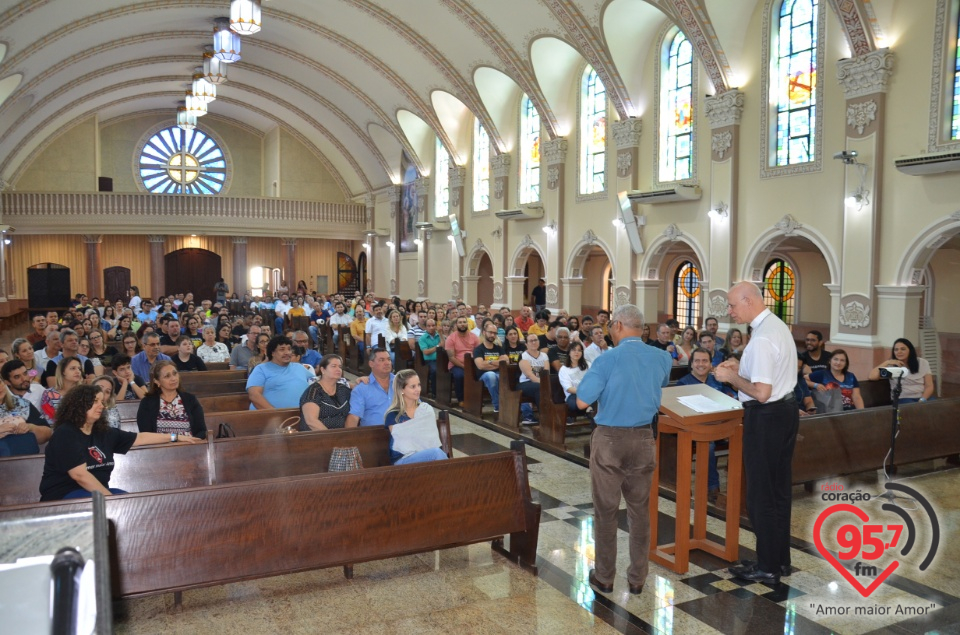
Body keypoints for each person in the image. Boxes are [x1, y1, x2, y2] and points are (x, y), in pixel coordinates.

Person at [576, 304, 672, 596]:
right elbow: (661, 383)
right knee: (639, 511)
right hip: (644, 439)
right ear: (641, 328)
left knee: (606, 511)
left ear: (617, 325)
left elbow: (582, 401)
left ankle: (604, 577)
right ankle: (637, 578)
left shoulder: (607, 360)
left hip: (610, 441)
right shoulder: (662, 357)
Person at [713, 281, 799, 585]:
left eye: (733, 305)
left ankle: (766, 566)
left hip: (766, 417)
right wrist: (743, 367)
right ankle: (780, 560)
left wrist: (732, 377)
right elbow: (771, 376)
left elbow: (761, 393)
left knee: (761, 494)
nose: (730, 311)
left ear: (748, 301)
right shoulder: (777, 326)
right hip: (785, 412)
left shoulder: (762, 338)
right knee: (778, 491)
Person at [40, 384, 202, 501]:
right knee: (123, 502)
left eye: (102, 402)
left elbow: (140, 438)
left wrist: (175, 437)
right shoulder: (66, 433)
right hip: (64, 495)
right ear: (80, 405)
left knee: (132, 501)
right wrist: (111, 499)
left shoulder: (102, 432)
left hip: (97, 494)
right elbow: (79, 475)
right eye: (96, 401)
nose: (101, 406)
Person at [676, 348, 736, 500]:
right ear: (691, 364)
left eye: (705, 361)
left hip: (722, 425)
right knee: (707, 445)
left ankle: (737, 489)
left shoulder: (718, 381)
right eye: (697, 361)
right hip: (696, 429)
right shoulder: (683, 383)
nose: (701, 364)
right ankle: (712, 487)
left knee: (742, 437)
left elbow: (733, 398)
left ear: (711, 364)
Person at [383, 370, 447, 464]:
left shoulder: (426, 409)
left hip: (425, 456)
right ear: (402, 390)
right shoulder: (393, 415)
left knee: (435, 455)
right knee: (436, 453)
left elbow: (431, 438)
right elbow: (403, 444)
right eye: (413, 386)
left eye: (419, 385)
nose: (418, 389)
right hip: (402, 459)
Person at [137, 361, 207, 438]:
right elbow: (146, 435)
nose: (173, 378)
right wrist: (176, 439)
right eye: (167, 376)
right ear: (157, 381)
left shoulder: (190, 399)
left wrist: (192, 443)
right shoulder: (147, 403)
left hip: (189, 446)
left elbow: (201, 431)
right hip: (161, 448)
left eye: (175, 373)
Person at [246, 335, 313, 410]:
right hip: (270, 417)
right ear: (272, 353)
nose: (287, 352)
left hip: (303, 415)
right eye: (282, 349)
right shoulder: (261, 369)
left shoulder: (299, 367)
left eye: (289, 349)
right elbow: (254, 395)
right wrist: (276, 414)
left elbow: (315, 384)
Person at [0, 368, 51, 456]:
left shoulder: (22, 404)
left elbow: (48, 433)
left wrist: (31, 427)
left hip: (26, 459)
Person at [867, 338, 934, 404]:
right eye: (896, 350)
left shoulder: (923, 362)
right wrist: (887, 362)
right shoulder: (891, 366)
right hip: (903, 399)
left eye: (903, 349)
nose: (899, 352)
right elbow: (872, 376)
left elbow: (929, 385)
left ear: (910, 350)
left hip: (922, 397)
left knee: (937, 406)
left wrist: (922, 399)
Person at [298, 355, 351, 431]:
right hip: (317, 437)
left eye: (340, 367)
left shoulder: (343, 390)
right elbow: (311, 421)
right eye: (333, 366)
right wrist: (332, 438)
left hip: (342, 435)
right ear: (323, 370)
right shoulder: (313, 391)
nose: (338, 369)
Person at [346, 348, 395, 427]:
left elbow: (418, 406)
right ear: (371, 364)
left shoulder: (401, 382)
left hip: (403, 433)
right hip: (375, 435)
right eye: (382, 360)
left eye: (389, 359)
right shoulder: (361, 388)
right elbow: (354, 416)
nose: (387, 363)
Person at [473, 320, 508, 413]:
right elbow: (480, 365)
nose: (492, 335)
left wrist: (489, 362)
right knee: (491, 375)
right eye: (490, 332)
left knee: (500, 376)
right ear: (484, 332)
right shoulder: (478, 349)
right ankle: (498, 406)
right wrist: (497, 363)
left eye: (494, 333)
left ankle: (508, 404)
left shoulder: (499, 348)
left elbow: (506, 361)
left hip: (498, 374)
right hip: (483, 376)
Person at [40, 357, 85, 426]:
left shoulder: (85, 393)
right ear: (63, 372)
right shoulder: (49, 394)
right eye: (73, 368)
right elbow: (48, 420)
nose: (78, 371)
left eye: (79, 369)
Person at [445, 316, 480, 406]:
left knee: (480, 374)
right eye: (460, 322)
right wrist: (464, 367)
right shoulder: (451, 338)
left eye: (464, 322)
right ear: (456, 325)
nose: (462, 324)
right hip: (457, 365)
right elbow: (451, 357)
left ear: (467, 324)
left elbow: (479, 352)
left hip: (472, 363)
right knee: (460, 376)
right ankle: (461, 399)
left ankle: (476, 399)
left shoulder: (474, 337)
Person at [558, 341, 590, 416]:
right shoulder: (564, 369)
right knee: (579, 404)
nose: (577, 352)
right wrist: (583, 392)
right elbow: (569, 388)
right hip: (573, 395)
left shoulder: (588, 365)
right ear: (569, 352)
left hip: (590, 393)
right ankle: (590, 408)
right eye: (574, 350)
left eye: (579, 350)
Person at [417, 319, 441, 397]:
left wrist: (441, 334)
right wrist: (437, 347)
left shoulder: (439, 335)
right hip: (430, 360)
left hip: (441, 359)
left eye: (433, 325)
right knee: (434, 370)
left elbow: (444, 345)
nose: (431, 327)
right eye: (429, 326)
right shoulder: (423, 338)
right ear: (426, 327)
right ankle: (435, 393)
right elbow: (426, 352)